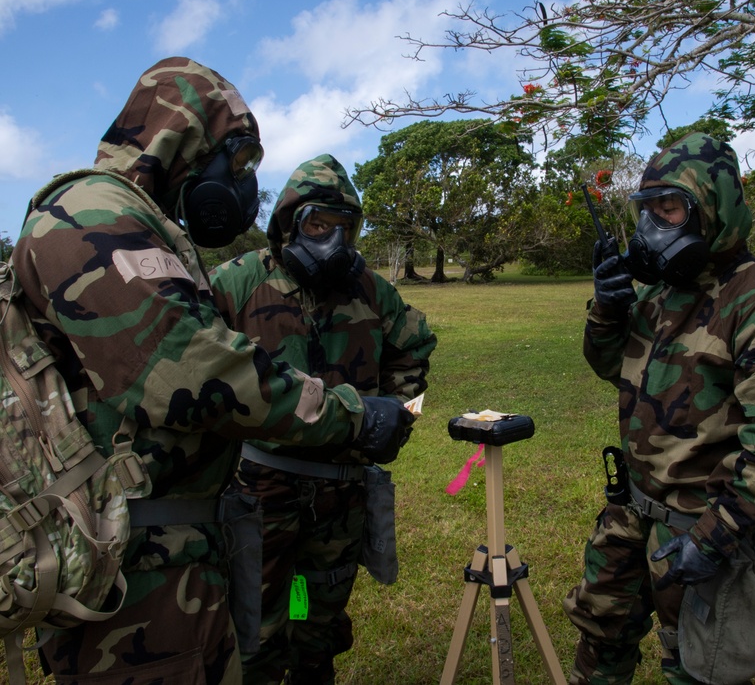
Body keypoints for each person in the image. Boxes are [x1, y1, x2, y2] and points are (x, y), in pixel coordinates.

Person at [10, 57, 414, 685]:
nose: (244, 183)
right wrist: (352, 416)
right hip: (136, 568)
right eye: (240, 159)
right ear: (187, 139)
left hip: (170, 552)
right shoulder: (92, 215)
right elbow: (195, 376)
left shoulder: (140, 225)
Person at [564, 132, 755, 684]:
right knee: (600, 646)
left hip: (698, 526)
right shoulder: (662, 295)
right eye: (649, 209)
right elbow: (616, 367)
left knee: (697, 664)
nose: (656, 225)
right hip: (629, 513)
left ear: (713, 208)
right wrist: (609, 308)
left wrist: (715, 536)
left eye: (672, 207)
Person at [209, 154, 437, 685]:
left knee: (321, 623)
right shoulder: (236, 284)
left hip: (341, 492)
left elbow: (413, 350)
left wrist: (394, 416)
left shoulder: (371, 289)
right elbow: (200, 370)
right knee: (254, 627)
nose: (332, 240)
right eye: (317, 225)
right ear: (289, 222)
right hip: (256, 490)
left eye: (344, 227)